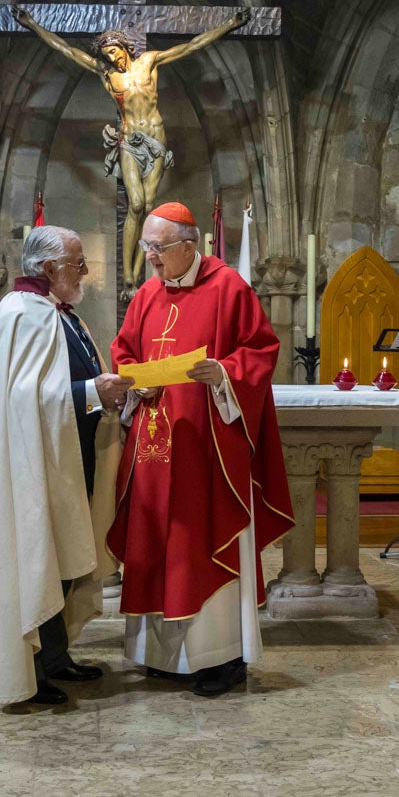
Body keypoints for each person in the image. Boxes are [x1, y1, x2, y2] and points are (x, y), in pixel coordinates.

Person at [0, 226, 133, 708]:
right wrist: (92, 392)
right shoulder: (22, 314)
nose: (84, 271)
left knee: (61, 557)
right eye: (77, 262)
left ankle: (55, 655)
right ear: (48, 269)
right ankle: (30, 667)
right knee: (37, 556)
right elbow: (23, 400)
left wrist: (114, 396)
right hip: (35, 465)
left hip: (68, 455)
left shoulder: (62, 315)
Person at [107, 202, 294, 698]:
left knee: (201, 543)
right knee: (155, 544)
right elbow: (124, 350)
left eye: (157, 248)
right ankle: (160, 655)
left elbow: (260, 350)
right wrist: (135, 384)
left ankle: (220, 658)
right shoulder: (147, 294)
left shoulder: (229, 287)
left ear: (189, 246)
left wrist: (224, 374)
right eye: (147, 246)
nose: (148, 258)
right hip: (154, 445)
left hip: (207, 450)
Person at [12, 6, 250, 292]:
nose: (112, 57)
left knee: (148, 206)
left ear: (124, 46)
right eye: (108, 55)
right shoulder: (107, 76)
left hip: (156, 142)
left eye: (114, 51)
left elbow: (191, 46)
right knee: (136, 204)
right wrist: (34, 25)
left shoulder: (149, 61)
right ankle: (128, 275)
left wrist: (228, 26)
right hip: (129, 141)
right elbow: (67, 50)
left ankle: (137, 273)